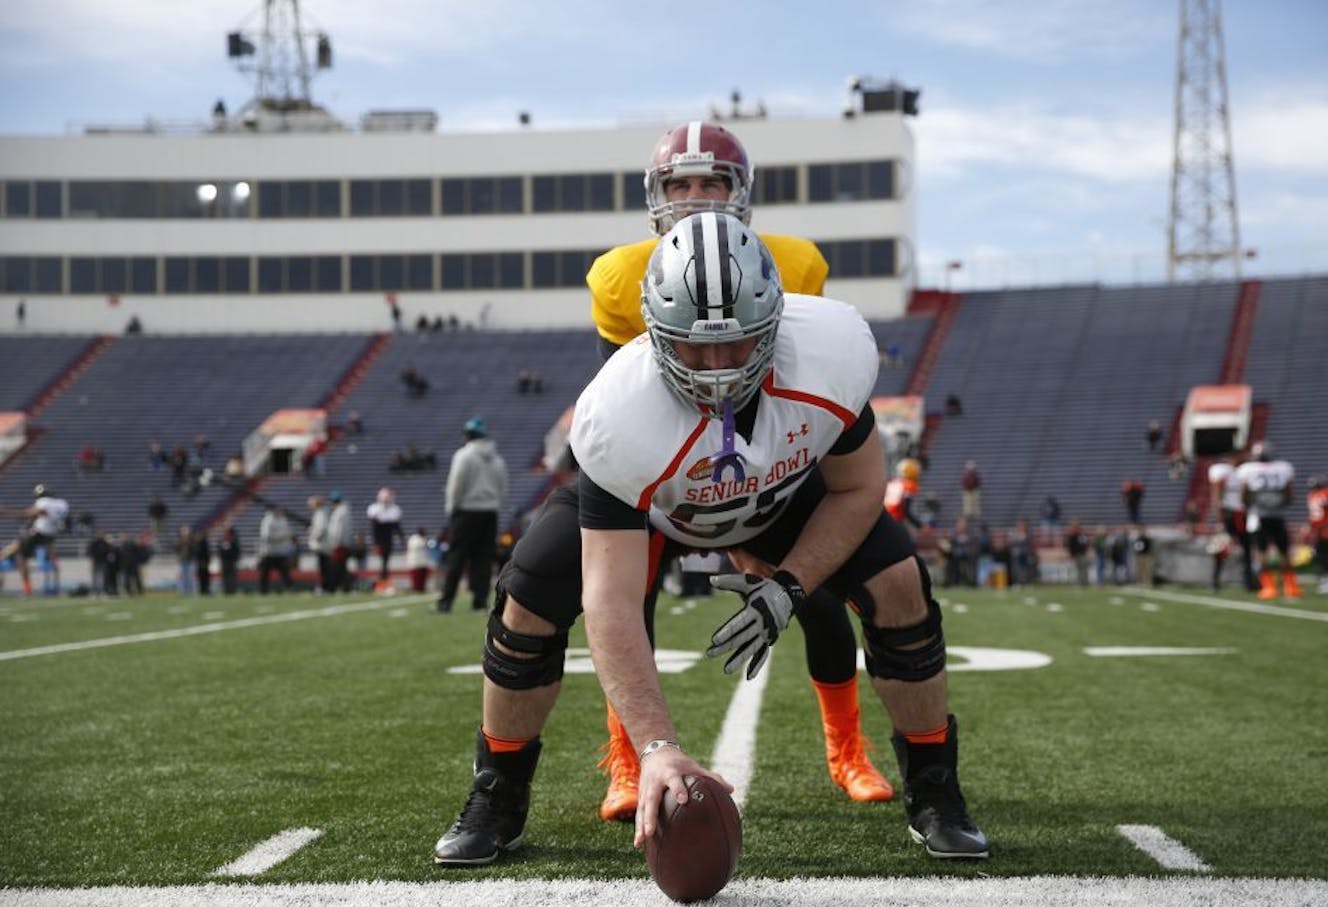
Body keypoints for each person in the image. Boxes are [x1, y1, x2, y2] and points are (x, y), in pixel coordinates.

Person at [433, 213, 988, 868]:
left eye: (741, 343)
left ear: (776, 322)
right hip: (660, 509)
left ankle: (934, 786)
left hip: (780, 496)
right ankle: (497, 792)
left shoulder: (828, 356)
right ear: (655, 332)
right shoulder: (621, 417)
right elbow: (610, 602)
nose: (720, 367)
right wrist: (658, 749)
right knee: (525, 600)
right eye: (696, 347)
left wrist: (788, 588)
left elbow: (860, 489)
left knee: (900, 582)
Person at [581, 120, 890, 817]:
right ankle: (628, 762)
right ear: (655, 197)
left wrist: (756, 506)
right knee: (625, 593)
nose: (696, 196)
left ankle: (848, 748)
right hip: (668, 460)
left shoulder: (795, 263)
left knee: (819, 590)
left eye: (713, 181)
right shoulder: (620, 275)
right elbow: (629, 395)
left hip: (767, 448)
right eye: (680, 183)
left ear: (740, 194)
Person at [435, 415, 507, 613]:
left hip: (466, 511)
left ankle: (446, 601)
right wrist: (493, 503)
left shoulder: (463, 456)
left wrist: (452, 507)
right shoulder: (497, 459)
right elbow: (503, 487)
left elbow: (456, 484)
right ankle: (480, 602)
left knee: (457, 556)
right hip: (489, 512)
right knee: (483, 558)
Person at [1236, 441, 1302, 600]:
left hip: (1258, 515)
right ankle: (1291, 586)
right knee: (1284, 551)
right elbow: (1289, 492)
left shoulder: (1248, 469)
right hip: (1277, 514)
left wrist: (1248, 505)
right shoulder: (1283, 468)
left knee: (1260, 553)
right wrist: (1281, 505)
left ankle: (1269, 587)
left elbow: (1245, 492)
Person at [0, 484, 70, 597]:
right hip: (52, 534)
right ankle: (56, 584)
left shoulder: (44, 502)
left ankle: (27, 589)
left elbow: (29, 513)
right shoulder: (62, 503)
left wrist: (6, 513)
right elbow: (62, 519)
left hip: (40, 533)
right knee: (51, 557)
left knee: (21, 557)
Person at [1208, 446, 1258, 592]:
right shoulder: (1222, 470)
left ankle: (1248, 582)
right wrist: (1219, 518)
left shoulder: (1246, 470)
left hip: (1242, 513)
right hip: (1229, 513)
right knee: (1221, 549)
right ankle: (1215, 581)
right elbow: (1216, 495)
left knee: (1247, 549)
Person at [367, 487, 405, 582]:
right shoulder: (374, 509)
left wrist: (403, 541)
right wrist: (375, 543)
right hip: (379, 538)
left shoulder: (395, 509)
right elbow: (374, 525)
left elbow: (397, 528)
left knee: (385, 559)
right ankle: (381, 577)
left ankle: (384, 577)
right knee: (381, 560)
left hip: (388, 538)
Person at [257, 505, 295, 594]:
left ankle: (290, 588)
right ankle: (263, 591)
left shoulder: (283, 520)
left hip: (280, 552)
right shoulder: (268, 521)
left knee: (285, 572)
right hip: (268, 552)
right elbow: (266, 537)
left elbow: (287, 534)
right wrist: (280, 537)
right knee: (265, 573)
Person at [326, 490, 353, 593]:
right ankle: (343, 587)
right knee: (341, 567)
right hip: (341, 543)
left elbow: (338, 530)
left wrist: (335, 543)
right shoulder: (343, 511)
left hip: (339, 544)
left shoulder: (341, 512)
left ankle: (336, 587)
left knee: (338, 567)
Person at [306, 495, 332, 594]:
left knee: (323, 568)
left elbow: (321, 530)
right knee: (324, 568)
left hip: (321, 546)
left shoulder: (320, 514)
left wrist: (312, 534)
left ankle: (324, 587)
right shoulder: (320, 513)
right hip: (322, 545)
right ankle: (325, 587)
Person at [406, 526, 432, 593]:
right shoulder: (414, 539)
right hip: (415, 561)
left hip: (423, 561)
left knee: (423, 577)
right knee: (417, 577)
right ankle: (416, 588)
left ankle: (422, 588)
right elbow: (416, 546)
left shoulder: (424, 539)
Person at [1065, 519, 1090, 586]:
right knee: (1077, 570)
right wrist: (1071, 554)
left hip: (1082, 554)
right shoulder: (1072, 535)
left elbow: (1086, 543)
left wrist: (1085, 550)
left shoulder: (1082, 534)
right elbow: (1070, 545)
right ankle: (1078, 582)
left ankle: (1085, 582)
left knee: (1084, 569)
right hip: (1076, 555)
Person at [175, 525, 198, 595]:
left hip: (190, 560)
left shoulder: (192, 541)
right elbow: (176, 549)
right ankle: (184, 591)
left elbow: (194, 550)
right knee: (184, 576)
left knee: (190, 576)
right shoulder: (179, 542)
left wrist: (188, 543)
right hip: (183, 561)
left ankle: (191, 590)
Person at [218, 526, 241, 595]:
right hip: (225, 562)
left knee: (231, 577)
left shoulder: (234, 541)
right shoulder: (223, 541)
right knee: (225, 577)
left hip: (231, 562)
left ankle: (232, 590)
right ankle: (226, 590)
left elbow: (237, 552)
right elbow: (220, 551)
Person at [194, 527, 213, 596]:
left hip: (204, 562)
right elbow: (200, 553)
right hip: (202, 562)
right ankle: (203, 590)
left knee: (205, 577)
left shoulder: (203, 542)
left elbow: (207, 553)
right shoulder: (201, 543)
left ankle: (205, 590)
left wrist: (207, 561)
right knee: (203, 577)